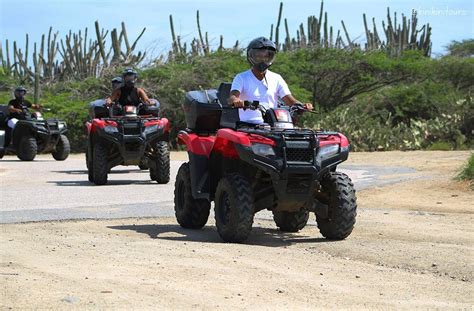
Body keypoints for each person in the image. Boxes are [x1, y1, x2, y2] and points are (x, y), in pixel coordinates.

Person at [228, 37, 313, 124]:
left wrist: (302, 105)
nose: (263, 60)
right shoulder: (241, 77)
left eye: (266, 57)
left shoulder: (277, 78)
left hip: (273, 125)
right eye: (259, 57)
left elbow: (290, 101)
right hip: (248, 126)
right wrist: (236, 101)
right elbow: (232, 97)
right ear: (251, 56)